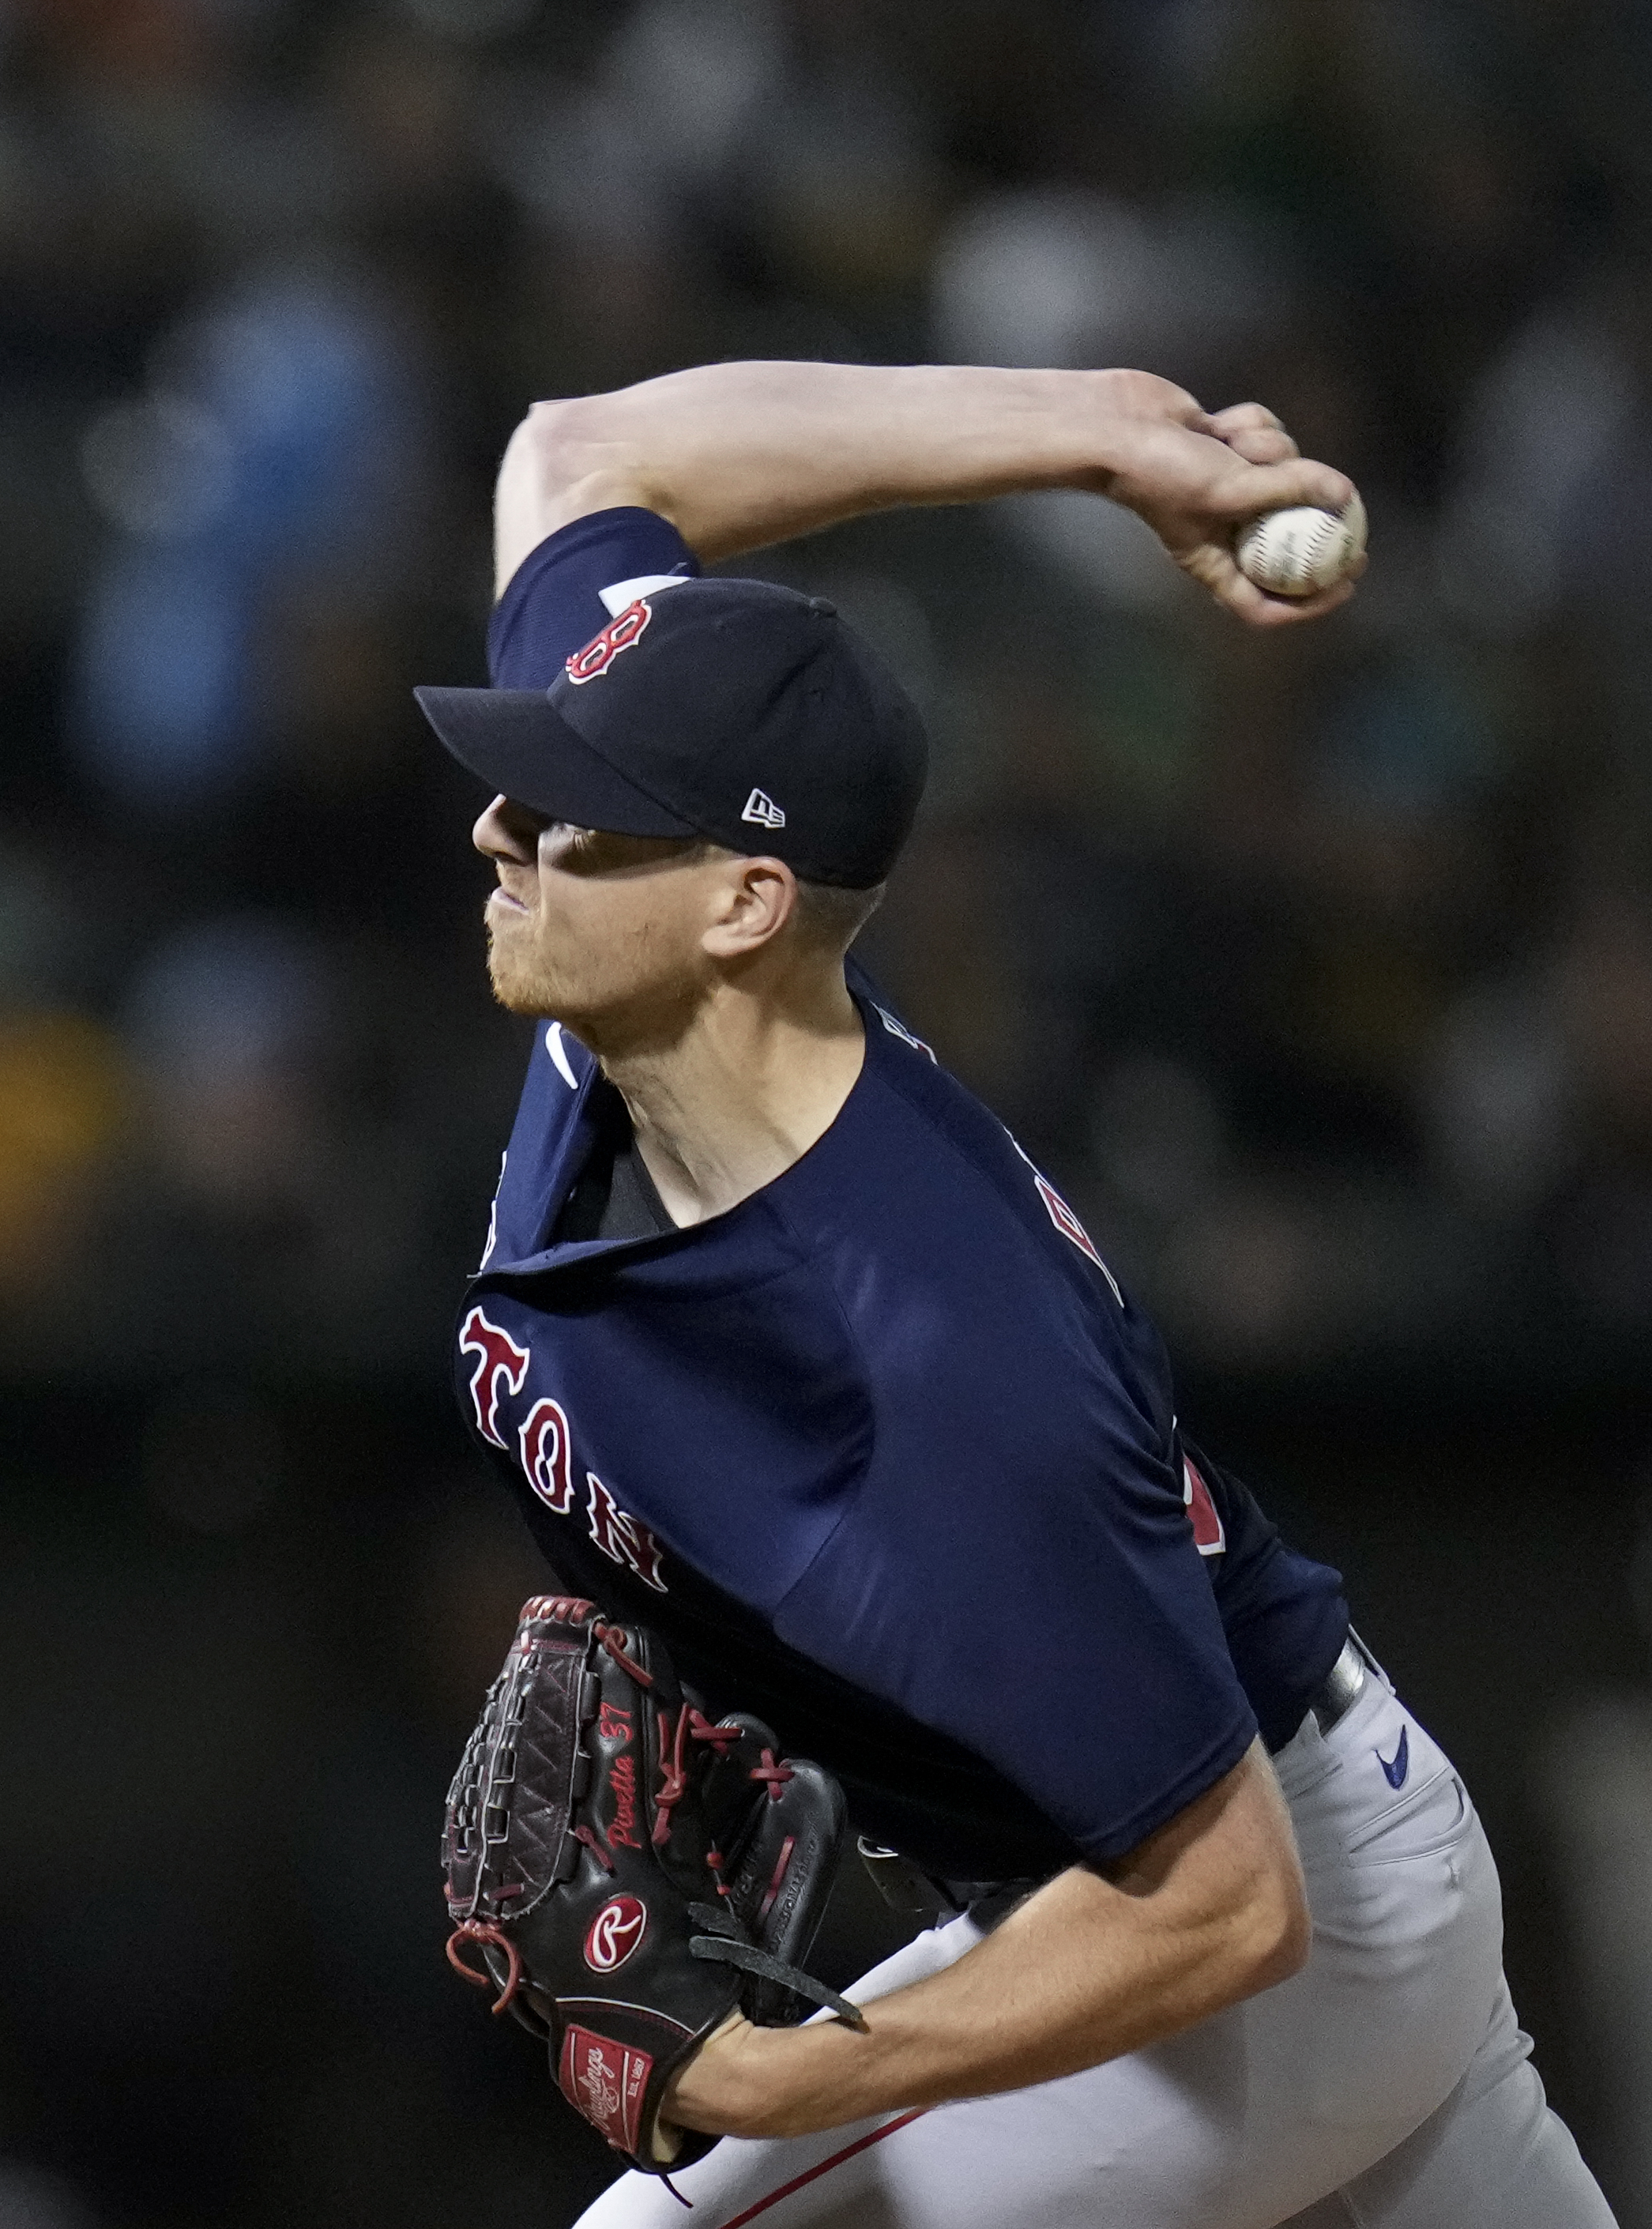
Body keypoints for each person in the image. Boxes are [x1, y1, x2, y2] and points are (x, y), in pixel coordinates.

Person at [409, 363, 1612, 2225]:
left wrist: (791, 2072)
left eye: (570, 819)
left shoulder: (925, 1363)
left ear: (742, 902)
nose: (501, 834)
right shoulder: (654, 1026)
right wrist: (1105, 434)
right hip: (1288, 1858)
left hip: (1255, 1943)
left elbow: (1226, 1898)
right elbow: (581, 452)